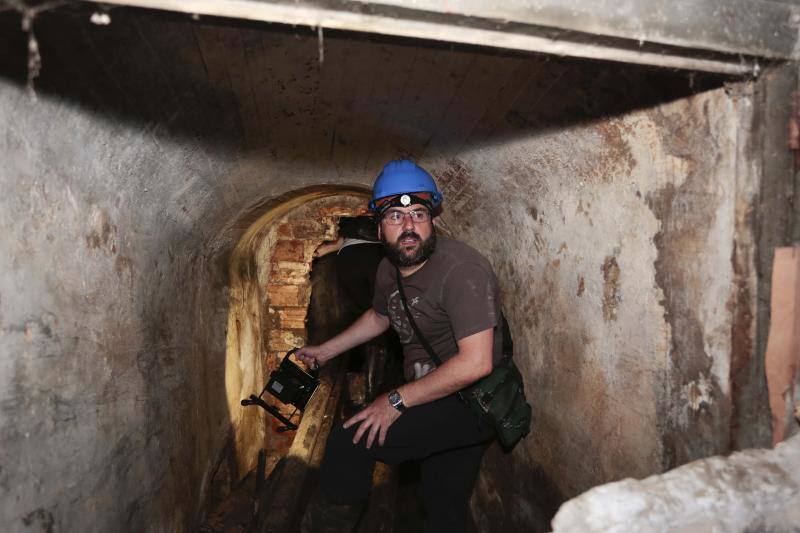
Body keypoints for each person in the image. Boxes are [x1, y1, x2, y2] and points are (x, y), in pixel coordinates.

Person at [297, 159, 504, 532]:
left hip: (470, 399)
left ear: (433, 220)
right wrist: (326, 350)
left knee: (351, 441)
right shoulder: (388, 268)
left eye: (418, 214)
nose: (408, 227)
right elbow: (381, 316)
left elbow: (476, 363)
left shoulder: (463, 270)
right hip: (432, 394)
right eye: (396, 216)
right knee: (443, 505)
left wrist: (394, 400)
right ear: (380, 228)